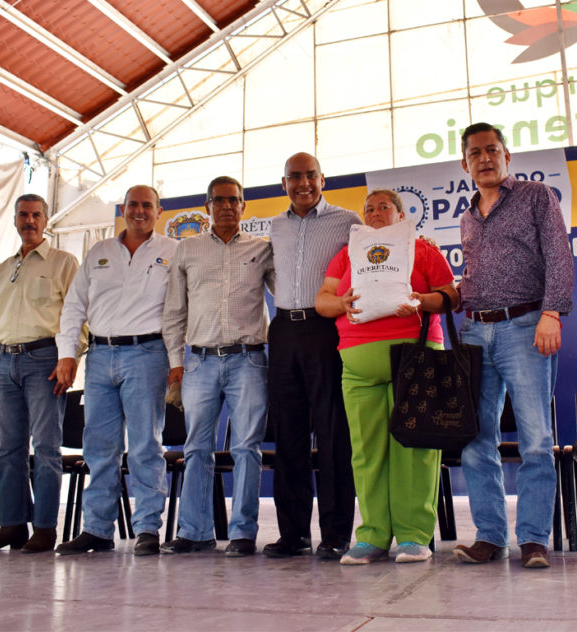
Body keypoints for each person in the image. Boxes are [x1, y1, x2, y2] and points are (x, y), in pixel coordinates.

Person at [452, 123, 573, 569]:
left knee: (536, 438)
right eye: (475, 153)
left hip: (525, 326)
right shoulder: (467, 215)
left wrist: (552, 312)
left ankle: (535, 539)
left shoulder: (536, 197)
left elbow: (560, 256)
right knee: (475, 439)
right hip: (475, 333)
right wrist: (444, 294)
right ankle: (489, 536)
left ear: (507, 157)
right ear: (465, 163)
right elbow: (475, 280)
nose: (484, 158)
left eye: (492, 150)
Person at [315, 189, 458, 565]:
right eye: (369, 209)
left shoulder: (422, 249)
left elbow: (450, 296)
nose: (375, 213)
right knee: (366, 451)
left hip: (417, 354)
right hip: (358, 364)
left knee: (416, 448)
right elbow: (324, 300)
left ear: (401, 214)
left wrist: (418, 299)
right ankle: (373, 535)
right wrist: (341, 304)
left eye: (384, 207)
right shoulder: (347, 253)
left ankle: (413, 536)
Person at [53, 185, 177, 557]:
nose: (139, 211)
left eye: (147, 206)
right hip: (100, 357)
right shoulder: (99, 252)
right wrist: (66, 354)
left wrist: (177, 363)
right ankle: (97, 530)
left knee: (145, 446)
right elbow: (74, 306)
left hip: (148, 354)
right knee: (99, 448)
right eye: (133, 205)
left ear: (159, 210)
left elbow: (180, 311)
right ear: (124, 208)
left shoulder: (173, 251)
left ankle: (147, 529)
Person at [161, 176, 275, 557]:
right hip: (200, 362)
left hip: (249, 360)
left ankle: (242, 533)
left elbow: (292, 293)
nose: (227, 206)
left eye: (234, 200)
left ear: (244, 207)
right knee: (196, 448)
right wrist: (176, 363)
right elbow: (174, 312)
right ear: (207, 206)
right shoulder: (187, 250)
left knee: (246, 448)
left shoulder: (263, 249)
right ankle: (195, 532)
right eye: (219, 200)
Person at [0, 194, 79, 553]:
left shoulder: (64, 262)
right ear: (15, 220)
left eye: (35, 215)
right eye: (23, 215)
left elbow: (78, 315)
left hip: (45, 359)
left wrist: (69, 357)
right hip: (6, 363)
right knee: (9, 449)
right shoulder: (4, 268)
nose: (29, 221)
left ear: (46, 220)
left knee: (46, 447)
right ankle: (13, 525)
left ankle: (45, 528)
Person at [264, 153, 360, 560]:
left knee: (333, 434)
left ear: (323, 179)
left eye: (310, 176)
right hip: (284, 328)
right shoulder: (276, 226)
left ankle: (336, 533)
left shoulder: (349, 221)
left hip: (327, 331)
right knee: (288, 436)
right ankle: (293, 534)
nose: (303, 183)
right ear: (284, 182)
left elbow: (381, 255)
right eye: (294, 177)